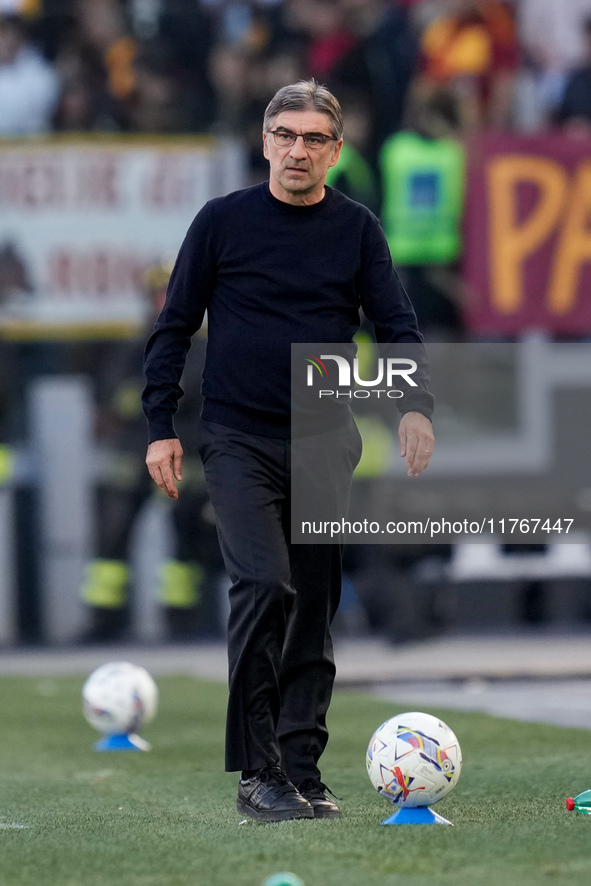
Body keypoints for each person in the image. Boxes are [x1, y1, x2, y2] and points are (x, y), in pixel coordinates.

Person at [142, 79, 434, 822]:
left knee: (313, 607)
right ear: (264, 140)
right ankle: (257, 773)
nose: (296, 150)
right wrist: (159, 426)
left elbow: (396, 325)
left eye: (312, 139)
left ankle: (301, 766)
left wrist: (414, 408)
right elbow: (173, 326)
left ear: (334, 151)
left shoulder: (356, 228)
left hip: (322, 437)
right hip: (237, 437)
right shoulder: (221, 223)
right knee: (263, 585)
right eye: (284, 135)